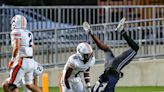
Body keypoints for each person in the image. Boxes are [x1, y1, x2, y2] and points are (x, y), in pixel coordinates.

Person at [83, 17, 139, 92]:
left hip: (114, 68)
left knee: (135, 49)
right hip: (107, 70)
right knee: (106, 49)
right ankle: (91, 33)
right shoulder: (94, 89)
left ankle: (122, 31)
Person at [2, 15, 41, 92]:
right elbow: (33, 47)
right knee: (29, 85)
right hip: (30, 61)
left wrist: (13, 59)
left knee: (9, 85)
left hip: (21, 61)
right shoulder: (28, 33)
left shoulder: (16, 31)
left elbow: (16, 46)